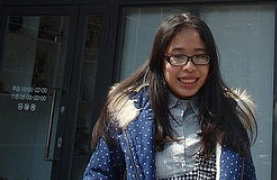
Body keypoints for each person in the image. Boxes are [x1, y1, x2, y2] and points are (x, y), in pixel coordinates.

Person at [83, 12, 257, 180]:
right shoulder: (129, 115)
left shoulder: (231, 116)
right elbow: (99, 174)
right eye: (178, 56)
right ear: (160, 60)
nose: (189, 67)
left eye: (200, 56)